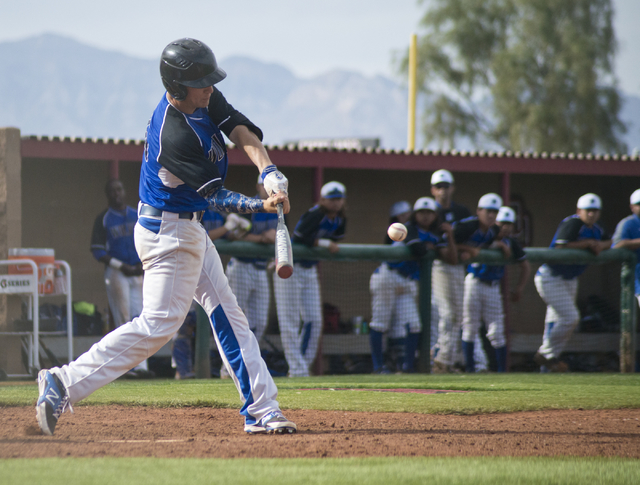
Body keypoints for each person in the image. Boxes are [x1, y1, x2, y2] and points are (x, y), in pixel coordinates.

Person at [36, 37, 296, 436]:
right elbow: (216, 197)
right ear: (178, 87)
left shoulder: (204, 98)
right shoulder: (172, 135)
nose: (210, 87)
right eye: (201, 82)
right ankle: (63, 382)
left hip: (185, 227)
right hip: (169, 233)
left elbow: (240, 130)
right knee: (159, 324)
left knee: (228, 312)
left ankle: (262, 408)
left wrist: (268, 172)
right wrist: (262, 204)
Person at [369, 197, 457, 373]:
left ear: (435, 215)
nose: (425, 216)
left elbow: (452, 258)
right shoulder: (407, 228)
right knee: (380, 323)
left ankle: (408, 368)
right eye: (421, 213)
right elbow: (419, 249)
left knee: (415, 324)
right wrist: (430, 247)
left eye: (429, 213)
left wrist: (450, 236)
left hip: (406, 281)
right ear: (415, 215)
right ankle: (378, 367)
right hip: (388, 276)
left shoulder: (436, 235)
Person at [273, 181, 347, 377]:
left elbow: (338, 238)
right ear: (323, 200)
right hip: (291, 268)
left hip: (309, 269)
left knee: (314, 320)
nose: (335, 203)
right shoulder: (315, 214)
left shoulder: (340, 219)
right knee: (290, 321)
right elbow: (298, 237)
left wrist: (325, 244)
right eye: (331, 199)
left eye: (338, 199)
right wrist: (323, 243)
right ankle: (297, 369)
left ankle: (302, 367)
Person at [534, 193, 611, 373]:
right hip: (551, 277)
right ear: (579, 211)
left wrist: (601, 245)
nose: (591, 214)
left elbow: (611, 240)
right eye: (588, 211)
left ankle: (549, 361)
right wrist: (588, 243)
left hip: (570, 279)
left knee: (555, 320)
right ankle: (544, 353)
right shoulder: (573, 222)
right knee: (571, 318)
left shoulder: (597, 228)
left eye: (595, 211)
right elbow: (561, 245)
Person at [90, 179, 151, 377]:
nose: (117, 193)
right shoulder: (104, 218)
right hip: (117, 271)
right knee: (123, 319)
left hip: (138, 270)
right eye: (112, 190)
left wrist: (143, 264)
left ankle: (141, 367)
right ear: (107, 195)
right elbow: (97, 251)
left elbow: (150, 239)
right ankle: (126, 367)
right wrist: (121, 266)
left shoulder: (137, 214)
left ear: (124, 191)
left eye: (119, 189)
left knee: (141, 317)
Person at [459, 205, 530, 372]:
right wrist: (495, 245)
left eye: (508, 224)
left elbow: (525, 266)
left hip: (492, 287)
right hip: (474, 283)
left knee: (497, 331)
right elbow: (466, 250)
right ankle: (469, 369)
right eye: (501, 223)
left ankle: (501, 371)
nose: (504, 227)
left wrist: (519, 288)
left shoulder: (511, 242)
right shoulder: (484, 236)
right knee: (469, 326)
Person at [429, 169, 487, 373]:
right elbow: (439, 246)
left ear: (452, 188)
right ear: (432, 190)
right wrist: (465, 250)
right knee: (444, 315)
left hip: (457, 268)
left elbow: (470, 239)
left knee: (455, 315)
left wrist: (467, 250)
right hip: (438, 268)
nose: (443, 190)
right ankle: (439, 358)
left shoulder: (462, 212)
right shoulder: (429, 211)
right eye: (439, 187)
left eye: (446, 186)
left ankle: (445, 360)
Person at [226, 177, 278, 344]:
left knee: (260, 321)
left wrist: (275, 237)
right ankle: (228, 365)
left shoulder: (279, 208)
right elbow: (234, 236)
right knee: (235, 316)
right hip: (242, 265)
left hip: (262, 268)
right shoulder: (248, 206)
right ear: (258, 186)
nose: (268, 190)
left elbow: (285, 235)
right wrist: (262, 238)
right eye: (265, 186)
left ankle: (249, 358)